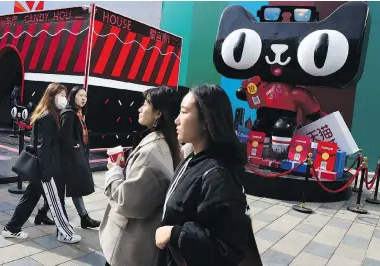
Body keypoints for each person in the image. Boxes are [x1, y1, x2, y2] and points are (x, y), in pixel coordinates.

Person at [155, 84, 261, 266]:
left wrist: (176, 233)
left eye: (184, 112)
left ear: (206, 121)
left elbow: (227, 248)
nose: (176, 120)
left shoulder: (218, 175)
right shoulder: (194, 158)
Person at [100, 86, 181, 266]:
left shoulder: (151, 152)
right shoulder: (167, 143)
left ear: (159, 113)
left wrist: (114, 171)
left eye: (145, 104)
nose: (140, 108)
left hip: (127, 248)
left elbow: (127, 202)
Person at [2, 83, 81, 244]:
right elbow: (43, 146)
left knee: (31, 198)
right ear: (51, 97)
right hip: (47, 168)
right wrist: (47, 172)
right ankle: (64, 233)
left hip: (45, 166)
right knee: (56, 201)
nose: (64, 99)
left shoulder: (51, 115)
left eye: (65, 95)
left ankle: (11, 228)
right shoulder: (47, 117)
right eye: (60, 95)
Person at [59, 86, 100, 229]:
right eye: (80, 95)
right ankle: (83, 218)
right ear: (73, 96)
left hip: (75, 156)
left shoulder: (79, 113)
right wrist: (75, 146)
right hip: (69, 159)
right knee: (69, 188)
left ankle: (84, 217)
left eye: (85, 96)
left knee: (72, 188)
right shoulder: (69, 113)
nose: (84, 99)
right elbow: (65, 137)